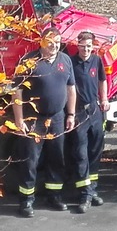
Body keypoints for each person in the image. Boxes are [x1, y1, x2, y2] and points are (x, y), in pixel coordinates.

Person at [13, 27, 77, 218]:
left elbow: (71, 89)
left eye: (57, 42)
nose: (54, 46)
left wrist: (71, 114)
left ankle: (54, 196)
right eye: (50, 42)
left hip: (57, 118)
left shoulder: (65, 60)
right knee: (30, 160)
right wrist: (19, 120)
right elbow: (17, 93)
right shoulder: (28, 62)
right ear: (41, 41)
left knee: (56, 158)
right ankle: (26, 200)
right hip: (34, 120)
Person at [69, 31, 109, 213]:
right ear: (78, 45)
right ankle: (84, 194)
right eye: (83, 46)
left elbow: (102, 80)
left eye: (89, 46)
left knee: (95, 150)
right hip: (78, 112)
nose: (86, 49)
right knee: (81, 153)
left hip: (94, 110)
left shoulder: (97, 60)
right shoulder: (70, 63)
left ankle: (92, 190)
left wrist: (105, 99)